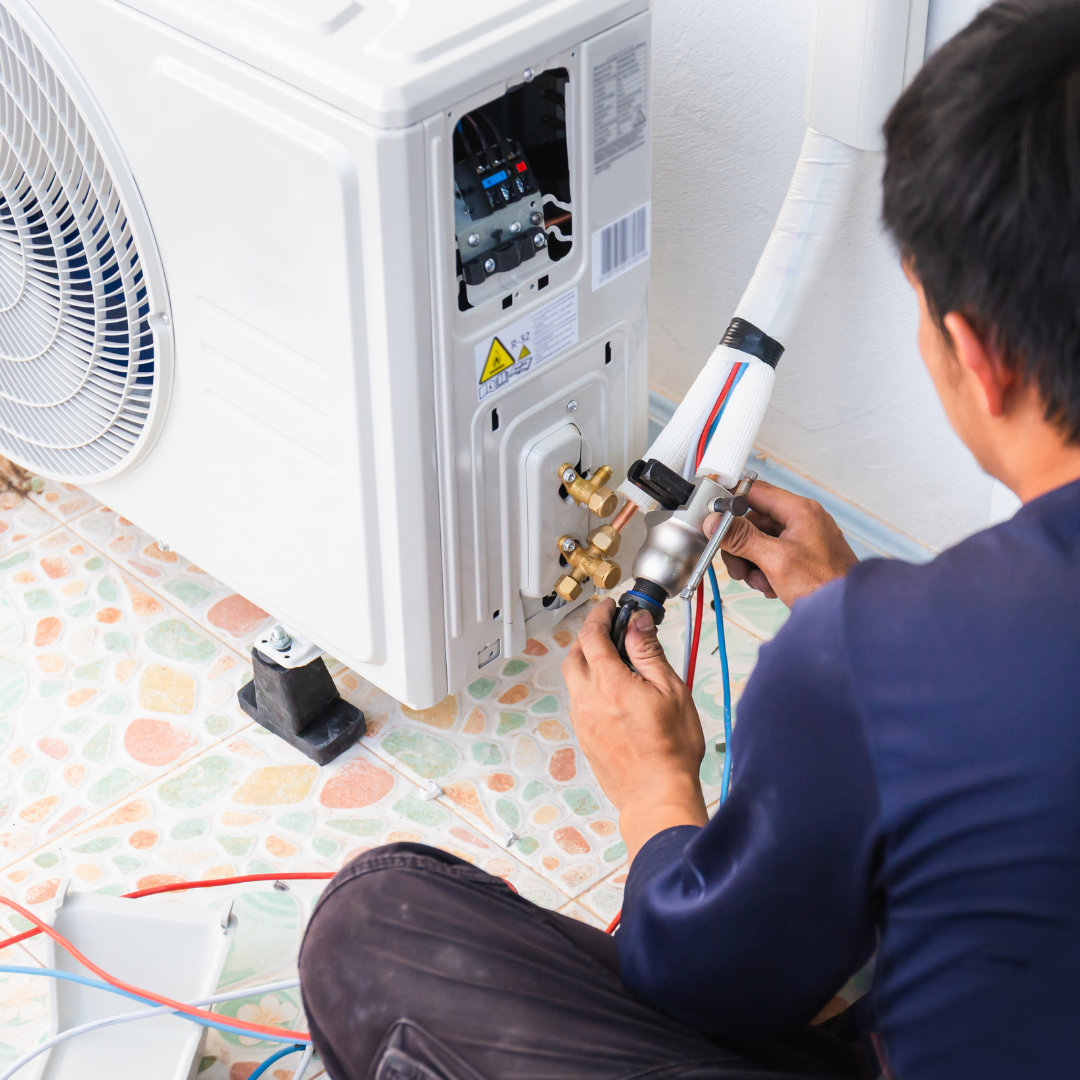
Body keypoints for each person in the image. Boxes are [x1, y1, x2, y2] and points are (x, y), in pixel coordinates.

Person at [297, 3, 1080, 1078]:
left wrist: (653, 784)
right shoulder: (895, 650)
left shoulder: (871, 662)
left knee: (373, 921)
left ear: (975, 357)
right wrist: (872, 622)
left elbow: (709, 985)